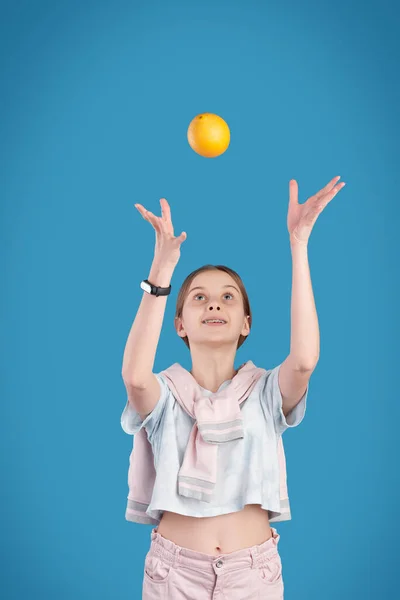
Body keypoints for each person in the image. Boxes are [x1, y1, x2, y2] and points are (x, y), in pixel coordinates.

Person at [120, 176, 346, 599]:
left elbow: (304, 360)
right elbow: (134, 376)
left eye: (228, 297)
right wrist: (162, 271)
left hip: (252, 575)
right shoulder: (165, 396)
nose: (214, 304)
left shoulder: (264, 393)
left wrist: (299, 245)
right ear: (180, 324)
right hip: (173, 576)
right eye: (200, 298)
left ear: (245, 323)